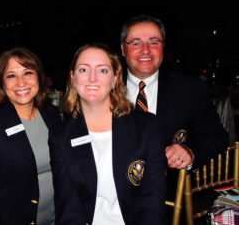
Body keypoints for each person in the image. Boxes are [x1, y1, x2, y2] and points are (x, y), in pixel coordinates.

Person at [50, 42, 166, 224]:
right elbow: (68, 206)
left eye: (102, 70)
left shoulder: (146, 127)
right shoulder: (61, 136)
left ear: (115, 78)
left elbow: (152, 201)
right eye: (83, 70)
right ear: (73, 78)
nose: (92, 79)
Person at [120, 14, 229, 170]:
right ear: (123, 49)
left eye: (154, 42)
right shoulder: (103, 89)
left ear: (163, 47)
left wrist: (191, 153)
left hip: (171, 191)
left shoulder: (191, 90)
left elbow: (218, 138)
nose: (145, 50)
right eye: (136, 43)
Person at [0, 47, 62, 225]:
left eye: (27, 72)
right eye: (11, 75)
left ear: (39, 77)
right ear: (1, 83)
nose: (21, 82)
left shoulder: (52, 114)